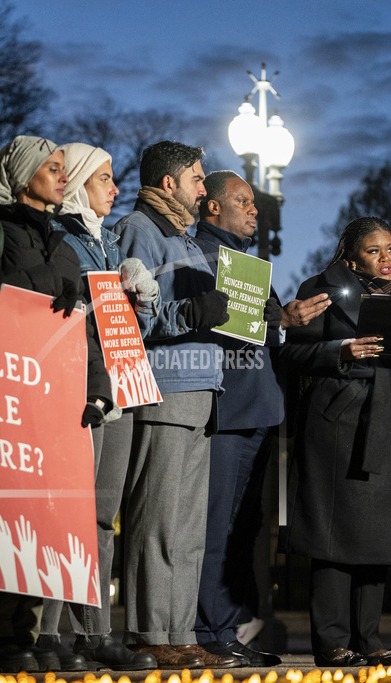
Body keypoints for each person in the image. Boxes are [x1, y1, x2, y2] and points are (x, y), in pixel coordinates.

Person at [0, 135, 86, 673]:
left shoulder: (66, 246)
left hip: (53, 399)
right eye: (51, 168)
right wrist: (27, 284)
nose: (61, 176)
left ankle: (24, 632)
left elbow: (86, 330)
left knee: (38, 517)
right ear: (24, 173)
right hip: (1, 392)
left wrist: (95, 387)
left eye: (63, 169)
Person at [191, 171, 329, 666]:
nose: (254, 210)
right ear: (211, 207)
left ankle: (227, 628)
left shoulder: (249, 264)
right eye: (243, 202)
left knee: (242, 532)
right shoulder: (196, 253)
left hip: (259, 410)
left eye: (254, 202)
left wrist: (285, 323)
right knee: (215, 529)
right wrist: (279, 320)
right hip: (223, 411)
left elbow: (266, 334)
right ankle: (209, 632)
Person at [112, 141, 241, 670]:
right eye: (196, 177)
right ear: (169, 184)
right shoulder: (138, 230)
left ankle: (180, 632)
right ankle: (148, 633)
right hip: (163, 392)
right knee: (157, 520)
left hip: (200, 393)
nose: (203, 187)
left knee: (188, 531)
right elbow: (131, 316)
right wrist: (192, 311)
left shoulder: (183, 236)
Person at [279, 216, 391, 668]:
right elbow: (290, 352)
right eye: (374, 251)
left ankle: (369, 639)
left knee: (378, 539)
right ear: (350, 256)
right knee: (334, 537)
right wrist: (340, 350)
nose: (387, 259)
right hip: (338, 423)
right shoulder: (321, 287)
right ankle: (331, 642)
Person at [35, 142, 158, 672]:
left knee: (102, 517)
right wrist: (92, 295)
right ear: (81, 180)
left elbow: (136, 331)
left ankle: (95, 630)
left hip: (123, 384)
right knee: (66, 510)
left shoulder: (111, 242)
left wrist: (142, 300)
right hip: (81, 388)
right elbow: (59, 314)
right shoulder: (60, 237)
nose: (113, 188)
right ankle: (46, 630)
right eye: (104, 178)